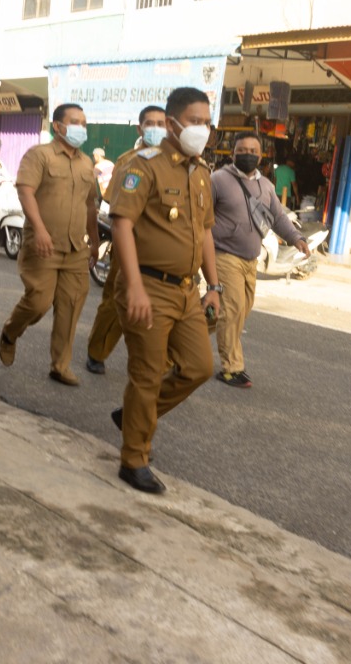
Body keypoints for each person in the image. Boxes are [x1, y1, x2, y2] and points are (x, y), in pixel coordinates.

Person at [107, 87, 222, 494]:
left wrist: (215, 285)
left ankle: (136, 416)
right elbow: (121, 224)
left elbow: (205, 231)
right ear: (172, 123)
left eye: (206, 121)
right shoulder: (144, 165)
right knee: (147, 373)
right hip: (149, 287)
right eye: (194, 121)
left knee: (199, 367)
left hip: (188, 291)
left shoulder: (202, 173)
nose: (202, 129)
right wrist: (133, 286)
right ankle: (133, 458)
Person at [0, 103, 100, 386]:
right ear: (57, 126)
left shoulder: (86, 163)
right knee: (38, 302)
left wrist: (94, 240)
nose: (81, 128)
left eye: (84, 123)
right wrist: (40, 229)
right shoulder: (39, 155)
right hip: (43, 244)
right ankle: (10, 331)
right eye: (75, 121)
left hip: (76, 249)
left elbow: (90, 204)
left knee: (70, 307)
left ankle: (60, 365)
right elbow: (25, 191)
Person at [210, 132, 309, 388]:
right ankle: (231, 368)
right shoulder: (218, 180)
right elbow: (201, 218)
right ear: (233, 153)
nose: (247, 155)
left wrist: (296, 238)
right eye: (241, 150)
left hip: (250, 259)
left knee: (240, 310)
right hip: (224, 255)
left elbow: (278, 217)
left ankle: (185, 339)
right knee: (232, 310)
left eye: (252, 151)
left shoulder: (265, 185)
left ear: (261, 155)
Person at [85, 104, 166, 375]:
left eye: (161, 123)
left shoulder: (175, 161)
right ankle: (97, 352)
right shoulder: (127, 161)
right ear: (139, 127)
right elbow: (114, 206)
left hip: (164, 247)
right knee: (116, 302)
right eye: (150, 123)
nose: (156, 128)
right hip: (130, 242)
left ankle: (160, 362)